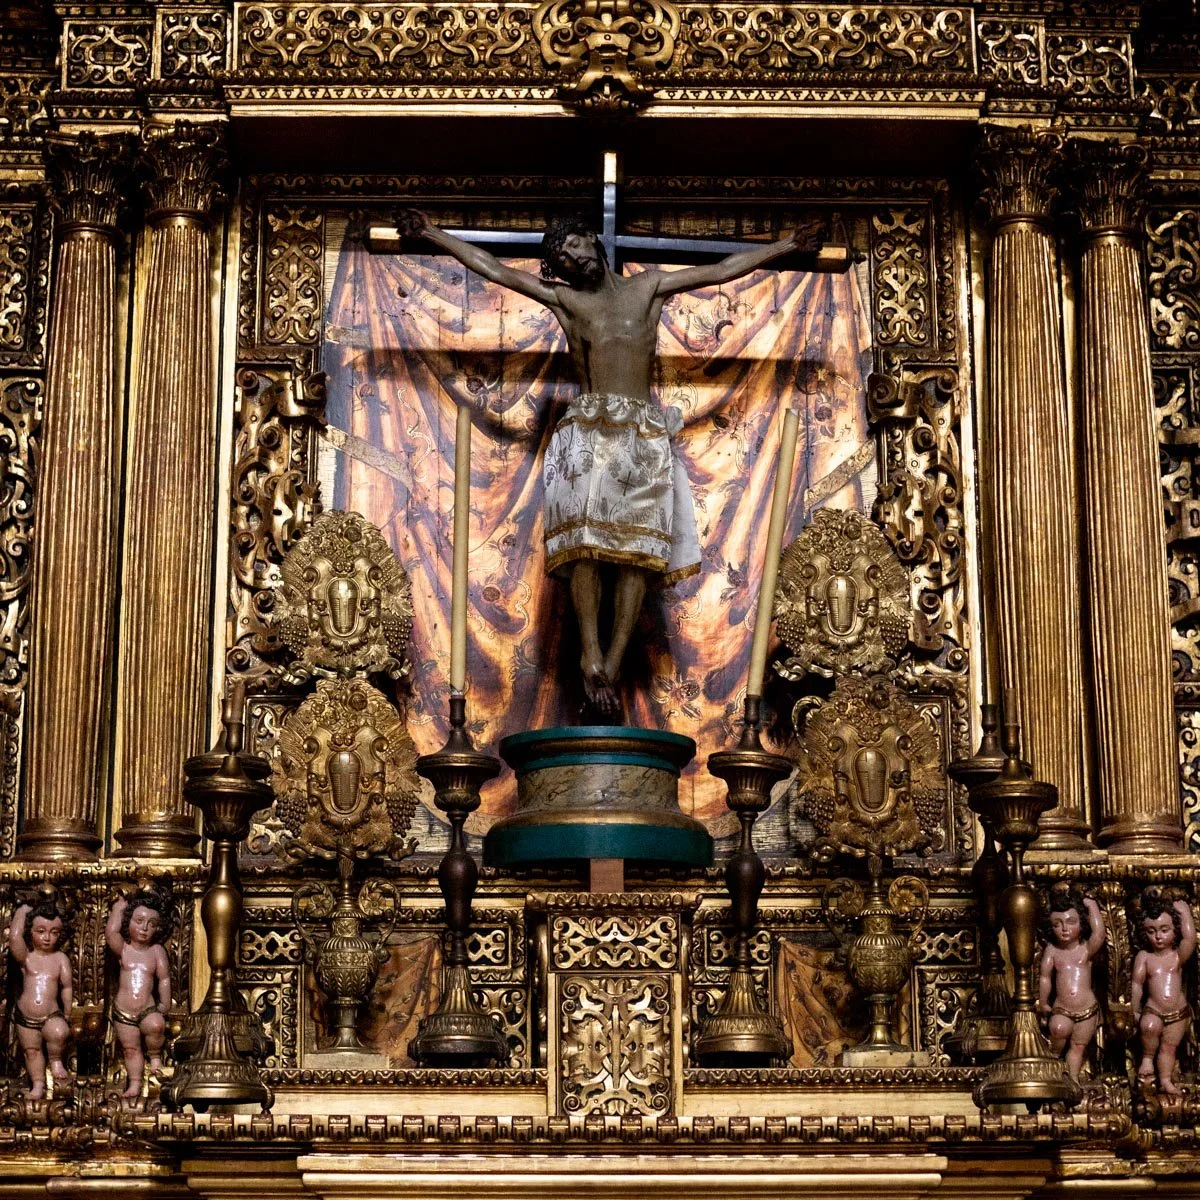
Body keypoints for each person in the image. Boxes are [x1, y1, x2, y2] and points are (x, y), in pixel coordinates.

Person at [397, 209, 823, 718]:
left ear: (591, 238)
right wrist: (432, 233)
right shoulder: (568, 301)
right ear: (559, 269)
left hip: (643, 435)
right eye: (562, 258)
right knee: (586, 548)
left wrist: (787, 246)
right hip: (590, 433)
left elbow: (721, 270)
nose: (574, 258)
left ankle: (612, 664)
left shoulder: (648, 288)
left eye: (575, 244)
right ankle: (589, 655)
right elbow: (494, 269)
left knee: (637, 554)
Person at [106, 889, 173, 1099]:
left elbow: (164, 978)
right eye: (139, 921)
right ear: (128, 923)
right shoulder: (125, 950)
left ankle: (155, 1057)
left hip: (147, 1009)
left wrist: (164, 1004)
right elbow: (111, 934)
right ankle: (135, 1082)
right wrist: (119, 908)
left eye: (151, 924)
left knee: (156, 1025)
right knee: (130, 1049)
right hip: (123, 1010)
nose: (144, 928)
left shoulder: (156, 952)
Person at [8, 895, 72, 1098]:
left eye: (54, 932)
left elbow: (66, 986)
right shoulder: (27, 957)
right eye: (41, 931)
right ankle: (37, 1084)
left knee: (59, 1032)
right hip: (26, 1016)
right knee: (31, 1051)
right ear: (31, 932)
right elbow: (14, 938)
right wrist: (23, 910)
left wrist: (67, 1012)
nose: (47, 938)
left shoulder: (60, 958)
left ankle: (56, 1060)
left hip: (51, 1014)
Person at [1037, 886, 1104, 1080]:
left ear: (1081, 923)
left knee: (1078, 1046)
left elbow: (1099, 935)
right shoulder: (1053, 951)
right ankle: (1051, 1070)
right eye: (1057, 924)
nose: (1064, 929)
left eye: (1070, 922)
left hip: (1087, 1009)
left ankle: (1072, 1080)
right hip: (1062, 1008)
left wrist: (1092, 907)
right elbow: (1045, 977)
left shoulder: (1085, 950)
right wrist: (1043, 1002)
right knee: (1058, 1031)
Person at [1132, 889, 1195, 1094]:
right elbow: (1137, 984)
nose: (1158, 936)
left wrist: (1184, 913)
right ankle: (1147, 1058)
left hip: (1178, 1011)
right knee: (1149, 1026)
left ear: (1175, 930)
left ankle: (1166, 1079)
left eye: (1164, 930)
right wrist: (1134, 1008)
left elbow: (1190, 940)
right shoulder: (1145, 956)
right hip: (1154, 1009)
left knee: (1169, 1047)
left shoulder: (1176, 957)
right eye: (1151, 931)